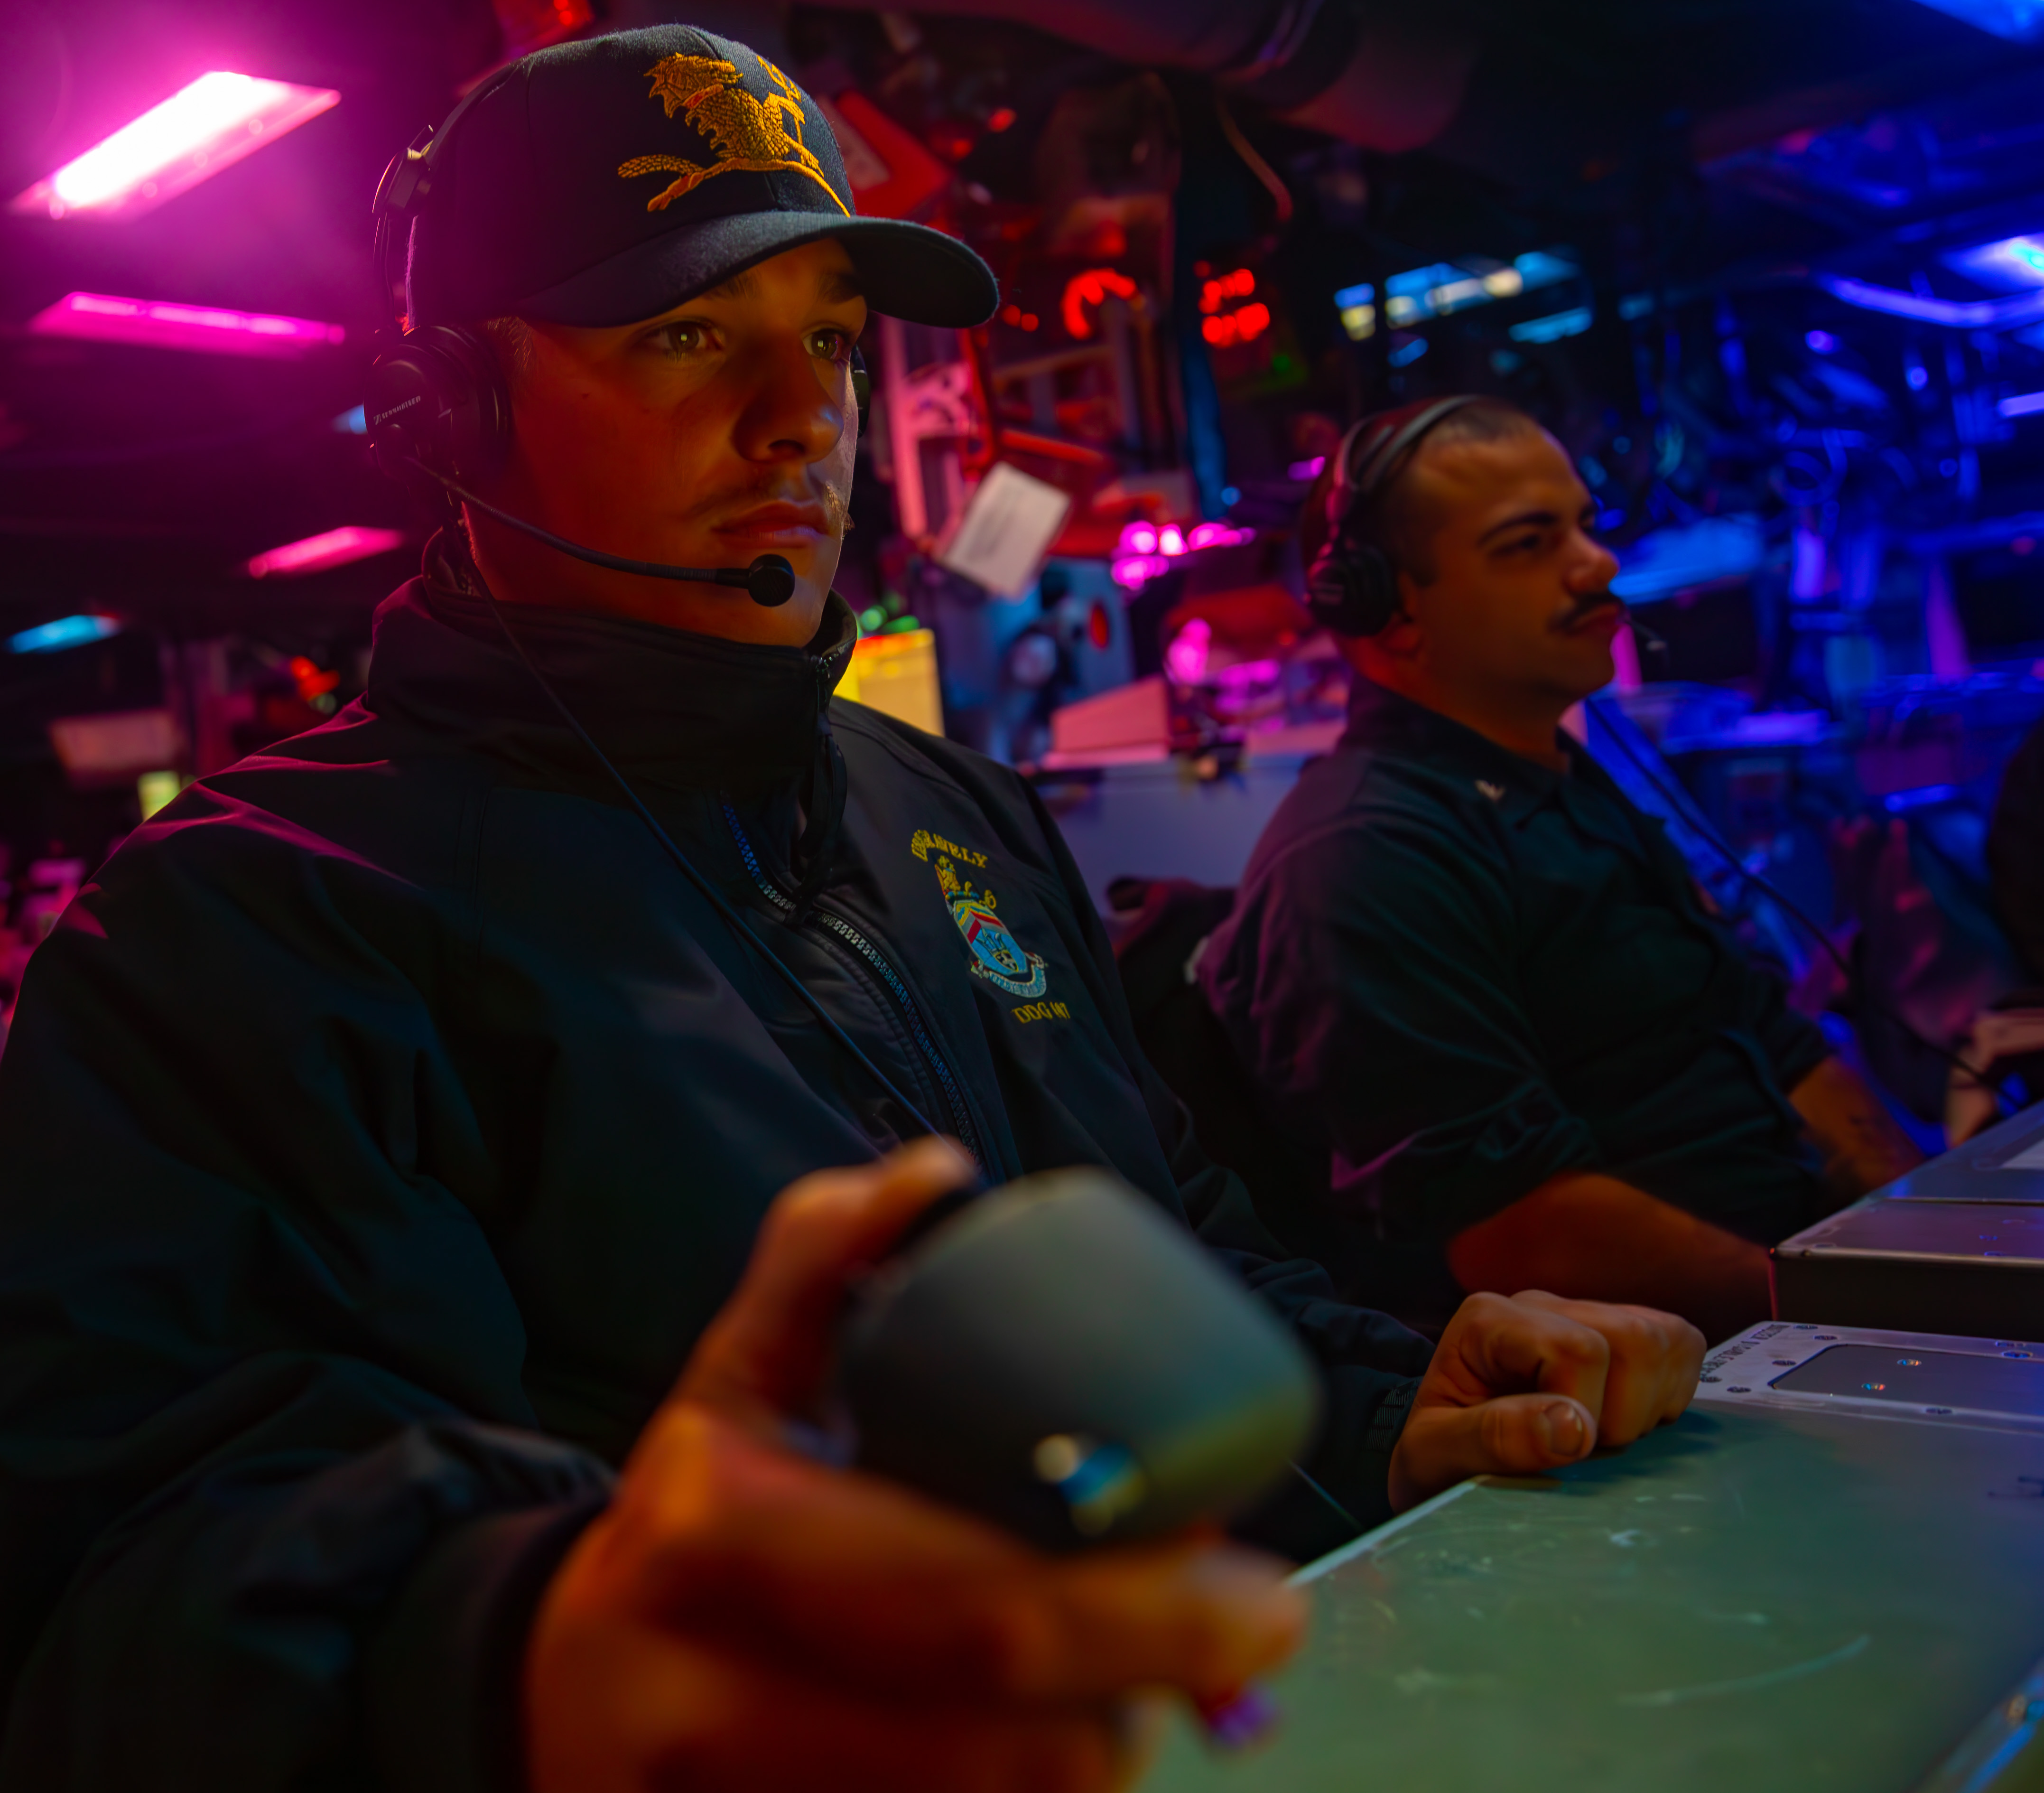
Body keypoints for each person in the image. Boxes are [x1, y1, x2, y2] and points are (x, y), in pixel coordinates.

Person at [0, 38, 1703, 1789]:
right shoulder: (245, 923)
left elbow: (1175, 1249)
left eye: (823, 333)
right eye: (685, 330)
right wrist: (527, 1645)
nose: (803, 410)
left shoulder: (951, 808)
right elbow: (135, 1594)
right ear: (456, 407)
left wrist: (1391, 1405)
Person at [1201, 396, 1921, 1344]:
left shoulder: (1566, 782)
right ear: (1387, 606)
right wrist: (1851, 1315)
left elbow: (1780, 1043)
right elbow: (1523, 1232)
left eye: (1584, 525)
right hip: (1662, 1382)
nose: (1599, 564)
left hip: (1802, 1308)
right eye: (1528, 543)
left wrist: (1927, 1243)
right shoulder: (1364, 857)